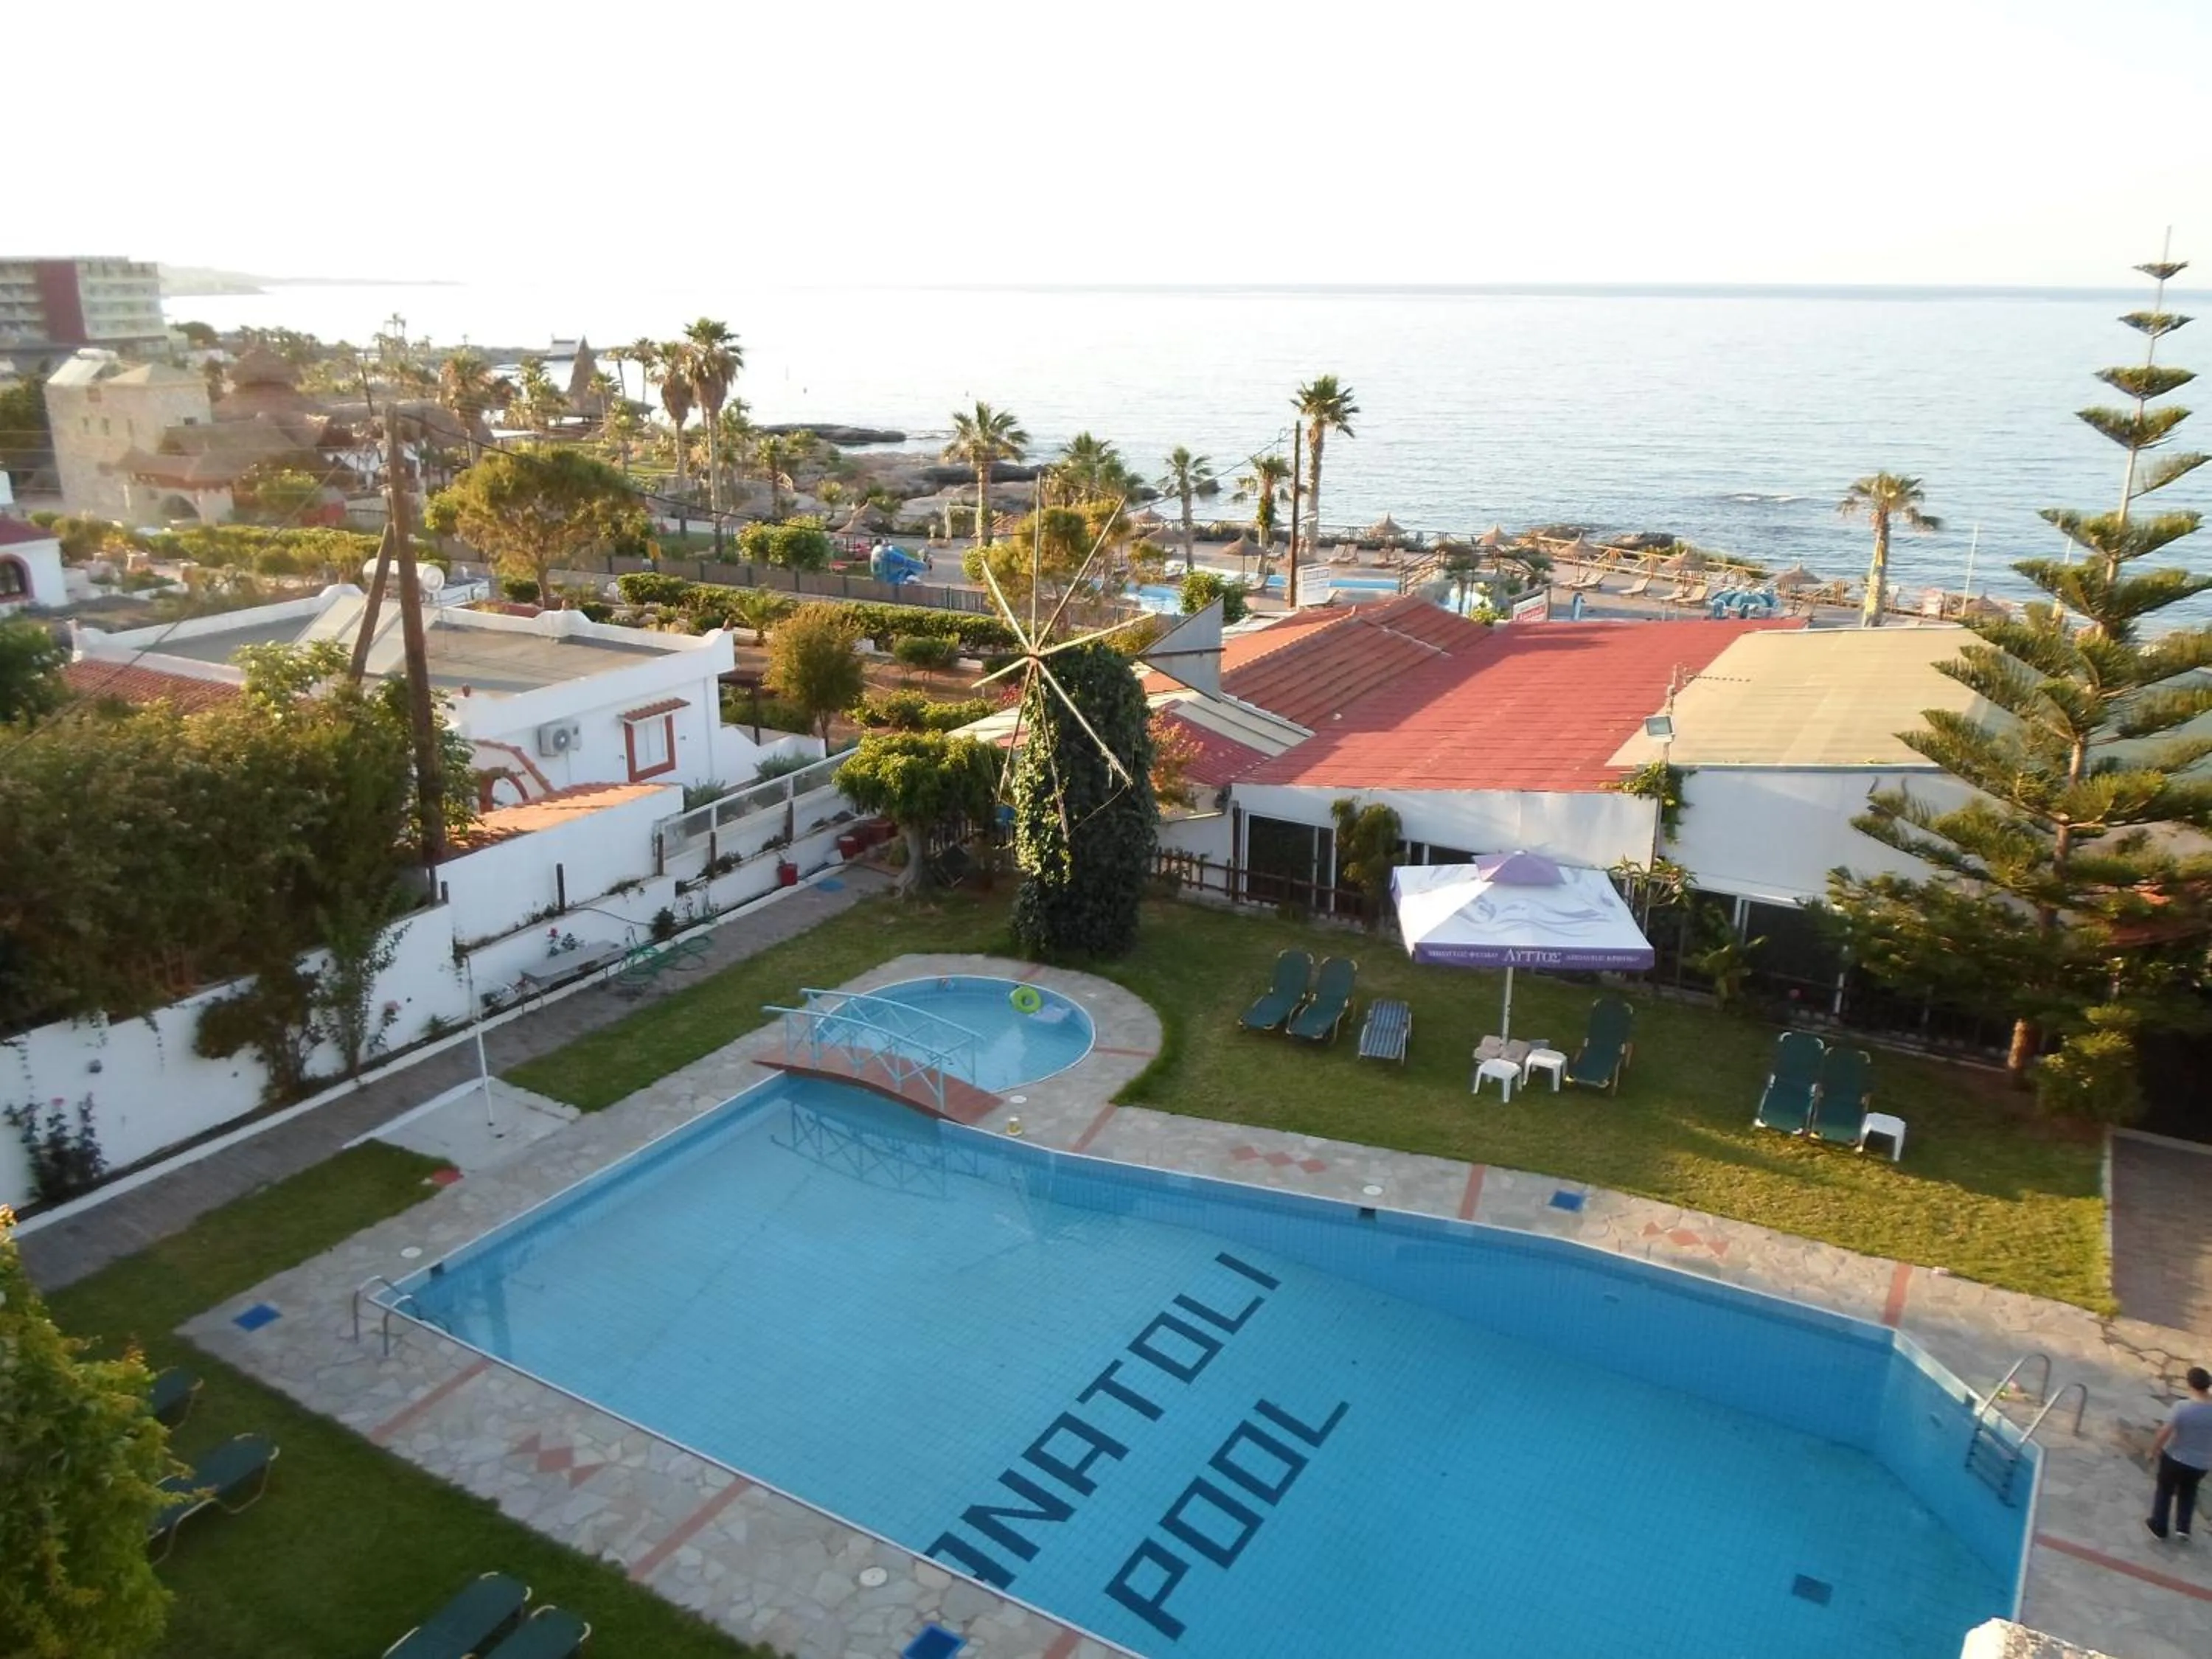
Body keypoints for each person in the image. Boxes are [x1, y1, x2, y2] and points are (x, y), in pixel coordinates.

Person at [2146, 1366, 2212, 1542]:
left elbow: (2165, 1431)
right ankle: (2183, 1528)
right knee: (2189, 1491)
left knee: (2165, 1490)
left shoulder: (2182, 1407)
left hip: (2176, 1458)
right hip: (2202, 1463)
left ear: (2190, 1385)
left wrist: (2154, 1450)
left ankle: (2159, 1526)